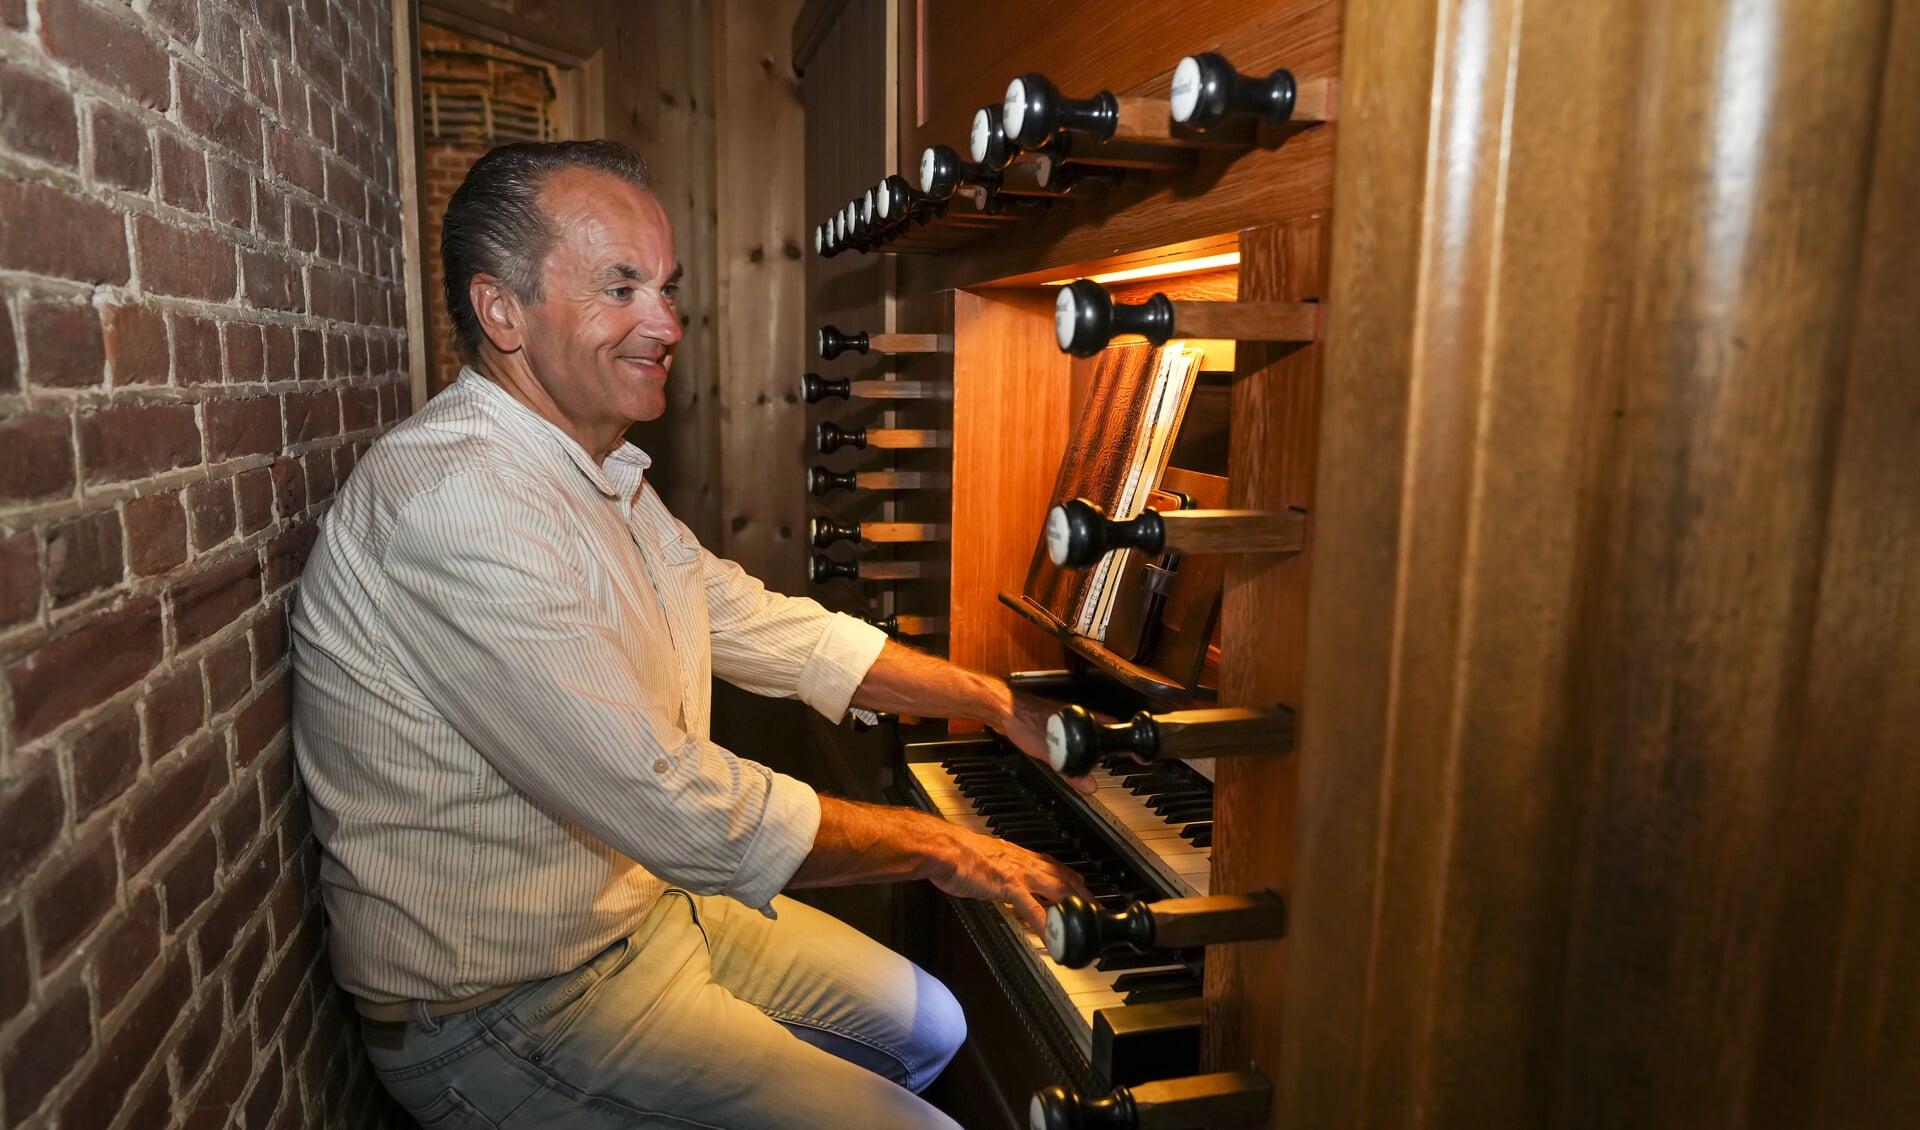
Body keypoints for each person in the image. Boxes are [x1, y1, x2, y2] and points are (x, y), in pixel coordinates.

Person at [290, 139, 1091, 1129]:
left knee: (926, 1024)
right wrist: (945, 846)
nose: (665, 323)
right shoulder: (461, 502)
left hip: (644, 906)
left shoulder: (594, 469)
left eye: (666, 288)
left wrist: (994, 699)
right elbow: (672, 801)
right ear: (504, 311)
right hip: (509, 1003)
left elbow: (763, 624)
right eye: (620, 289)